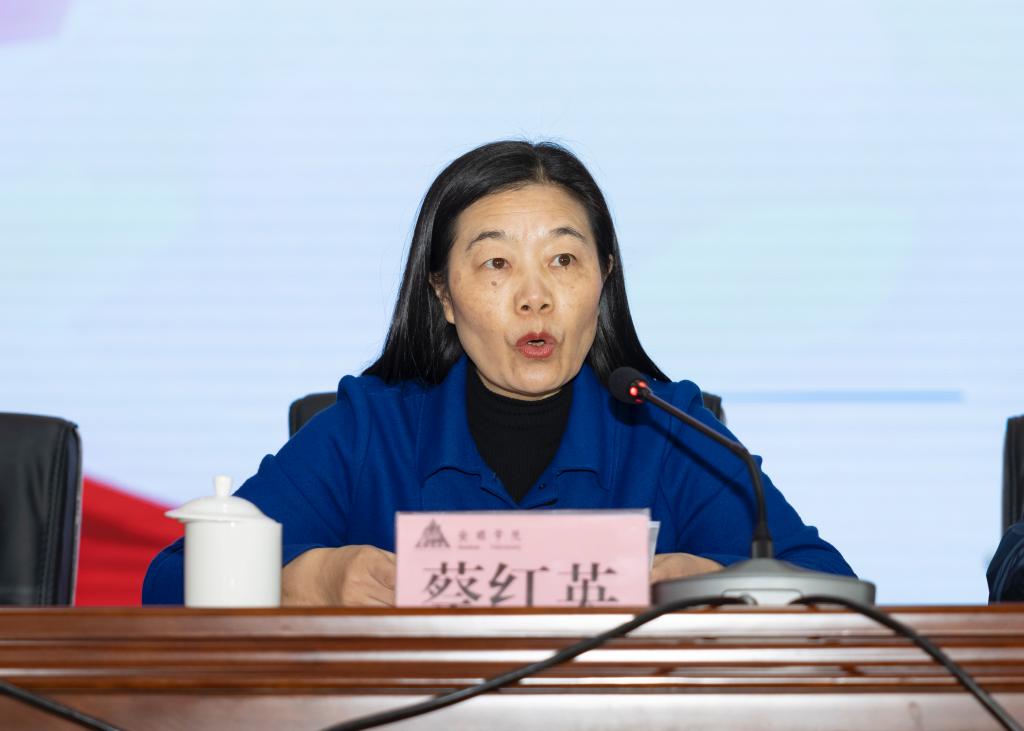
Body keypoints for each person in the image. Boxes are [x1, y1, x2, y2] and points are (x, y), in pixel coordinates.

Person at [142, 140, 855, 606]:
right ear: (443, 294)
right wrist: (312, 580)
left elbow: (834, 593)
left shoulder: (668, 430)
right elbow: (170, 582)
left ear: (603, 282)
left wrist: (719, 586)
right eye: (496, 263)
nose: (534, 296)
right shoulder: (368, 431)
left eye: (564, 260)